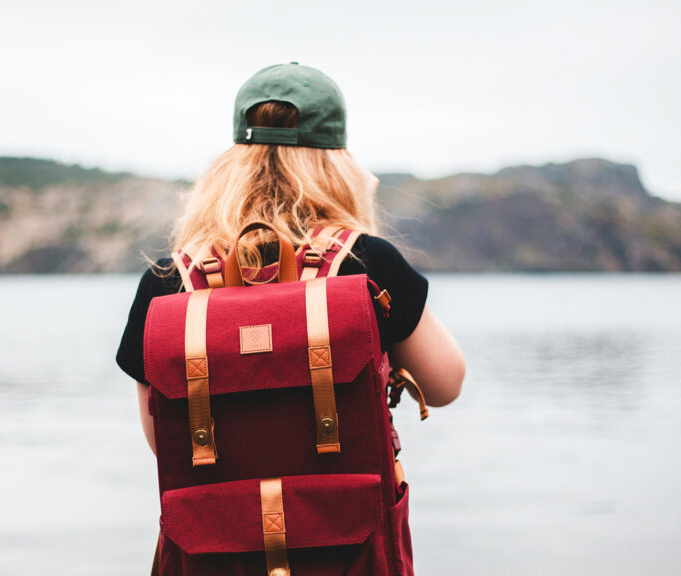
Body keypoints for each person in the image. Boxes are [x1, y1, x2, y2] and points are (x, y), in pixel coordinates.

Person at [116, 61, 465, 456]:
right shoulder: (369, 261)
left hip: (223, 517)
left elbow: (164, 444)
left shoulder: (168, 279)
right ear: (337, 164)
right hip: (347, 517)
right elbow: (445, 385)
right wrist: (358, 229)